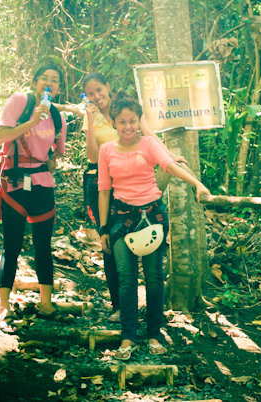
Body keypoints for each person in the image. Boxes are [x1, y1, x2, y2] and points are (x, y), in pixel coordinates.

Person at [58, 72, 185, 322]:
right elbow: (93, 156)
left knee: (142, 243)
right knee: (110, 243)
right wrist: (89, 121)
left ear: (108, 86)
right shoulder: (91, 117)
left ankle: (150, 314)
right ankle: (119, 305)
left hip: (132, 187)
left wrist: (168, 156)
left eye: (99, 90)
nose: (96, 96)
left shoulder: (126, 111)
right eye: (90, 93)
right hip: (102, 184)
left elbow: (149, 138)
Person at [97, 94, 210, 360]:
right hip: (121, 219)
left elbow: (168, 165)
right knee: (126, 279)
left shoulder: (148, 143)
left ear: (139, 121)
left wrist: (196, 183)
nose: (127, 127)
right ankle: (128, 337)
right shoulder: (107, 150)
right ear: (114, 122)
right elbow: (104, 190)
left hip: (151, 216)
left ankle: (154, 335)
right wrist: (103, 228)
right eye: (122, 121)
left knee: (154, 279)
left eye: (132, 121)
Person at [0, 63, 67, 332]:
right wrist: (33, 121)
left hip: (42, 184)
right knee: (11, 245)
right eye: (44, 78)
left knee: (43, 246)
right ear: (35, 82)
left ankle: (46, 304)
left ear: (58, 89)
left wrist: (50, 161)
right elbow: (1, 136)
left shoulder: (58, 117)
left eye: (54, 80)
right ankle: (4, 306)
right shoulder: (19, 102)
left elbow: (56, 153)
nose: (48, 83)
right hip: (14, 181)